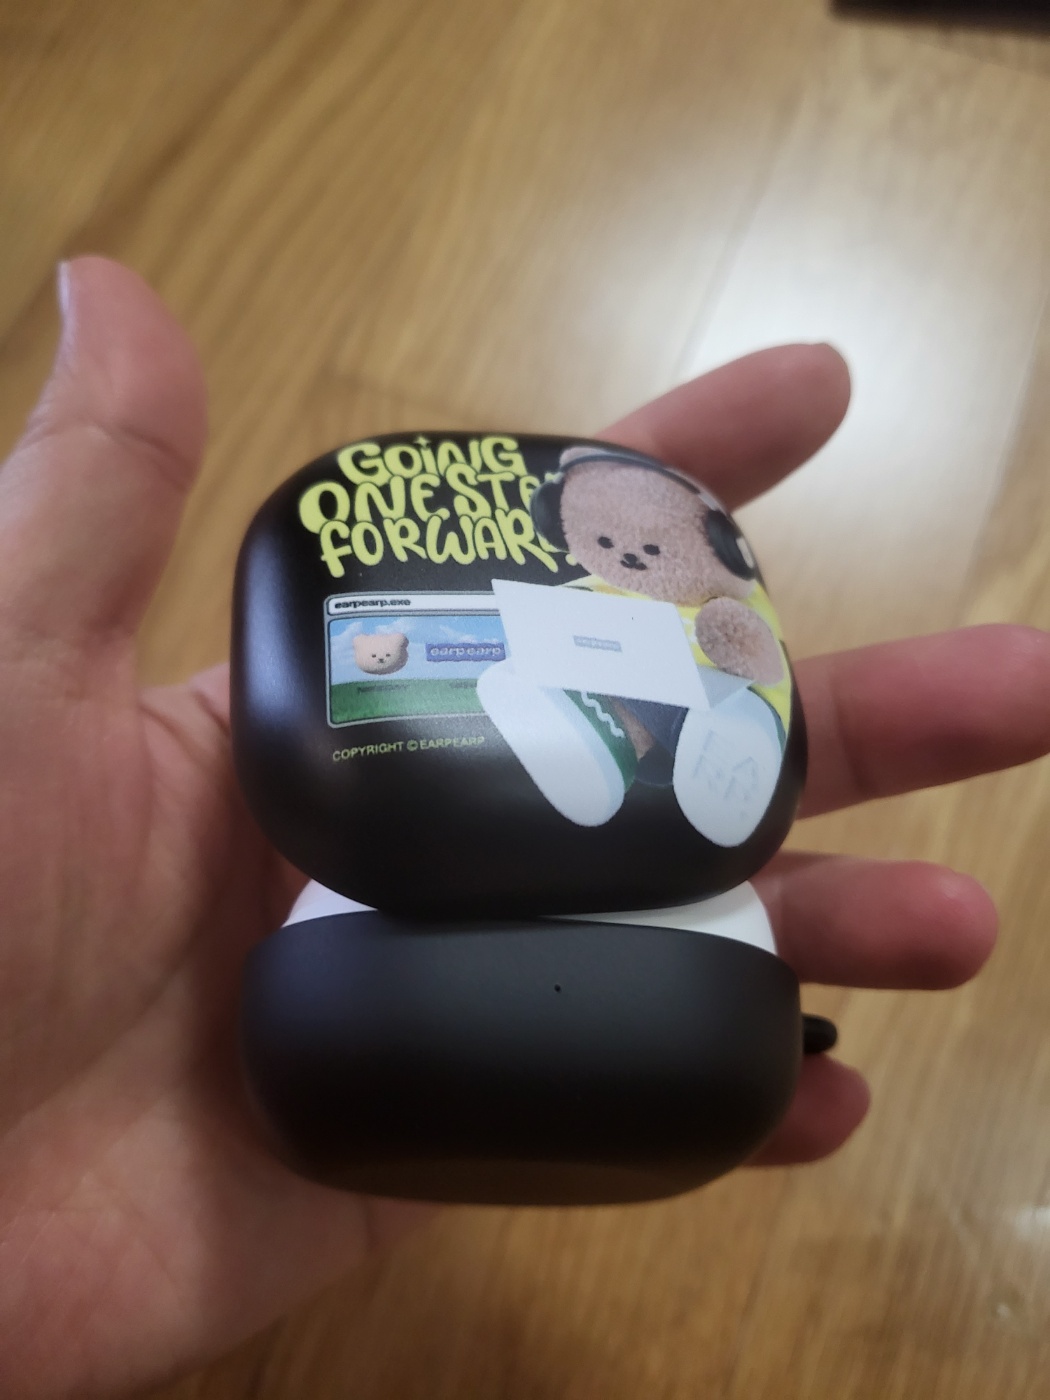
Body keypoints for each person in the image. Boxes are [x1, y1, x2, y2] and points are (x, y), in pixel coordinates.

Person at [1, 257, 1047, 1399]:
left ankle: (692, 751)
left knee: (699, 727)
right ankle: (610, 745)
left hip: (461, 957)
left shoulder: (683, 612)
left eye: (649, 551)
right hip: (613, 959)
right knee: (579, 713)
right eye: (611, 550)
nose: (629, 562)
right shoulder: (571, 610)